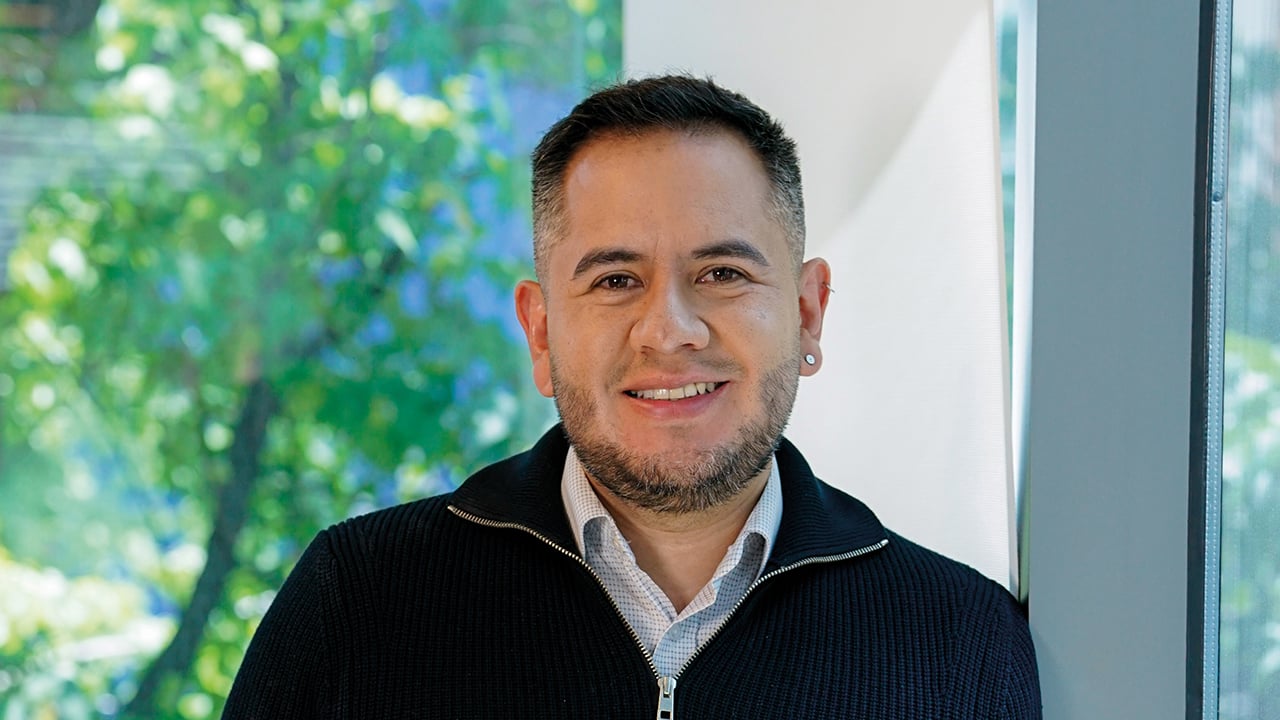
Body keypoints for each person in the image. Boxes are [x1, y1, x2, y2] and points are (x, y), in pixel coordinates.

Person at [223, 75, 1041, 719]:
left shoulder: (961, 643)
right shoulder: (358, 604)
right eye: (616, 280)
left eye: (722, 273)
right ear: (541, 333)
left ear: (806, 311)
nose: (669, 330)